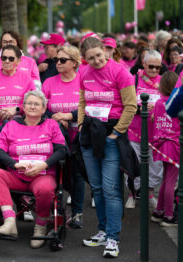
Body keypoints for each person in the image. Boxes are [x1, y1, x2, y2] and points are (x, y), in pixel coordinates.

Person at [79, 37, 137, 258]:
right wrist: (83, 122)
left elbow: (131, 106)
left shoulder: (120, 72)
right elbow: (82, 101)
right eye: (91, 58)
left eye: (99, 55)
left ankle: (113, 238)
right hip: (90, 132)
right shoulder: (84, 72)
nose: (96, 61)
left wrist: (116, 133)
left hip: (111, 132)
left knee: (111, 188)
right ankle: (102, 231)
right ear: (84, 59)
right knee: (96, 187)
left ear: (105, 51)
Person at [0, 90, 66, 248]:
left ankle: (40, 226)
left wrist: (43, 165)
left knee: (45, 188)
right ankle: (10, 221)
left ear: (44, 109)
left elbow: (62, 151)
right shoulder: (11, 125)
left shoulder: (52, 125)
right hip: (16, 175)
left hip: (42, 175)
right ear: (23, 107)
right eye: (29, 103)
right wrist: (15, 164)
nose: (32, 106)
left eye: (36, 104)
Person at [42, 45, 84, 228]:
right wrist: (56, 118)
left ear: (75, 63)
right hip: (55, 136)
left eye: (63, 60)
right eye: (56, 60)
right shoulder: (49, 82)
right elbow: (40, 108)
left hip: (78, 135)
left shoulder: (83, 81)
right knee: (56, 172)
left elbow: (88, 106)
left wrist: (68, 116)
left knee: (77, 174)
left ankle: (77, 213)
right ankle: (54, 210)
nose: (58, 63)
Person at [126, 50, 164, 209]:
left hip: (157, 133)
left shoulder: (163, 82)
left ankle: (149, 193)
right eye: (151, 67)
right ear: (144, 64)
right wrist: (139, 107)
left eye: (158, 67)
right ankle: (132, 194)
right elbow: (126, 102)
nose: (154, 70)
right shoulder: (133, 79)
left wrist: (158, 109)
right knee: (134, 165)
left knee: (156, 167)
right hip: (135, 131)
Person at [150, 71, 180, 227]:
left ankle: (159, 210)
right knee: (171, 181)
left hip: (160, 143)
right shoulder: (176, 103)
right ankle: (168, 215)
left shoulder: (159, 102)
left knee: (166, 180)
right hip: (174, 145)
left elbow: (153, 118)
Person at [0, 44, 35, 133]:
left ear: (19, 61)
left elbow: (33, 104)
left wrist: (16, 110)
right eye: (4, 58)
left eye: (11, 59)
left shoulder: (26, 79)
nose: (7, 61)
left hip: (20, 127)